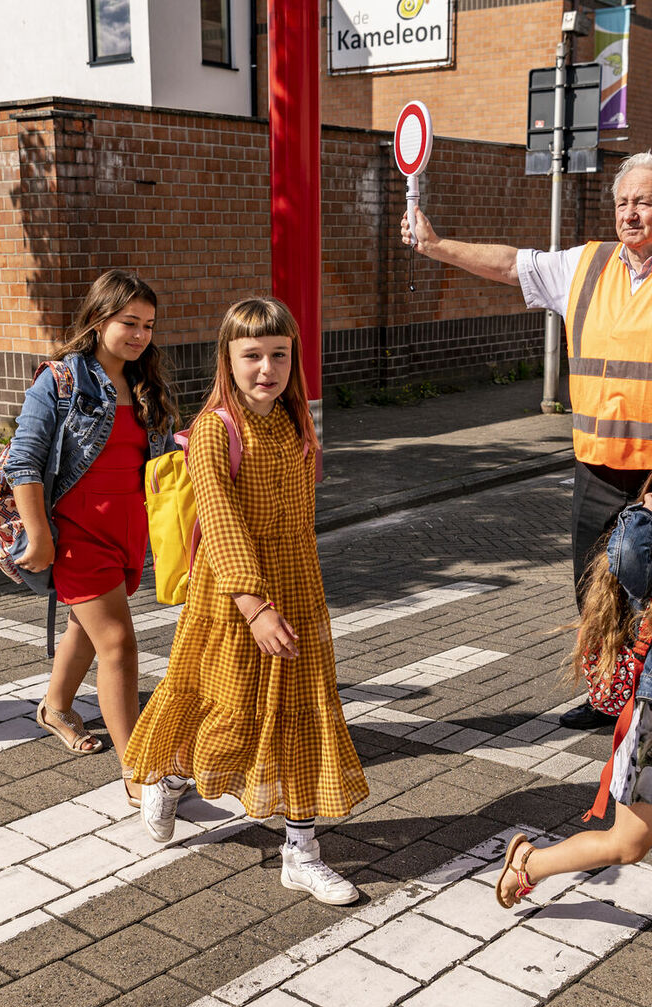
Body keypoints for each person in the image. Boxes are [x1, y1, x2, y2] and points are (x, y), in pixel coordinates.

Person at [124, 296, 369, 904]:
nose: (267, 368)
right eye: (252, 355)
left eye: (279, 355)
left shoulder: (294, 423)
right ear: (227, 361)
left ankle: (301, 850)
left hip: (296, 586)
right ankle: (172, 778)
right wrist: (254, 606)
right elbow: (222, 518)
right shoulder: (213, 429)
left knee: (304, 709)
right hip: (230, 596)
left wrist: (297, 592)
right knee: (224, 705)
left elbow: (301, 519)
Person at [401, 151, 652, 731]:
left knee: (649, 578)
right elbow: (512, 264)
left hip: (651, 473)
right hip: (596, 466)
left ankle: (650, 699)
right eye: (622, 202)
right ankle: (606, 698)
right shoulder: (586, 265)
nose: (630, 213)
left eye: (643, 201)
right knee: (593, 586)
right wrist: (437, 246)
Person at [4, 270, 177, 803]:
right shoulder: (59, 379)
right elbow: (24, 461)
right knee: (119, 644)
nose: (140, 334)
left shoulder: (146, 383)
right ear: (100, 318)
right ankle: (137, 771)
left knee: (88, 623)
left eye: (148, 325)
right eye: (129, 322)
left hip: (129, 530)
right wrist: (39, 536)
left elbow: (162, 460)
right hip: (78, 533)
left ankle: (55, 707)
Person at [496, 482, 652, 908]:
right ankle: (529, 864)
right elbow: (629, 557)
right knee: (628, 843)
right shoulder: (641, 533)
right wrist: (646, 510)